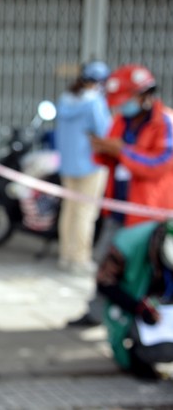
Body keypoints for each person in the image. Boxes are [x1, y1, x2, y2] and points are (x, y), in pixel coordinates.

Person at [68, 64, 173, 327]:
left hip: (148, 214)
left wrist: (122, 151)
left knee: (141, 271)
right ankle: (96, 314)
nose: (122, 107)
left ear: (145, 95)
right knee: (106, 266)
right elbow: (107, 157)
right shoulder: (120, 121)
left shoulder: (166, 122)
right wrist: (104, 149)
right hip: (118, 210)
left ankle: (141, 320)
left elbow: (160, 163)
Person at [54, 61, 112, 274]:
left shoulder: (65, 99)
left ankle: (65, 256)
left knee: (69, 211)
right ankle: (79, 260)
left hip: (68, 164)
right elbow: (105, 132)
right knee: (85, 213)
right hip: (91, 165)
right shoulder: (95, 102)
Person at [96, 221, 173, 379]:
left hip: (165, 308)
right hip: (133, 306)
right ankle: (137, 356)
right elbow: (104, 282)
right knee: (164, 350)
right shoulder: (128, 244)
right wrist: (138, 308)